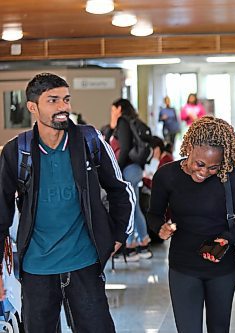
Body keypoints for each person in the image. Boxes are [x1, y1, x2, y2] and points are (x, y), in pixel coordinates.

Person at [0, 73, 134, 332]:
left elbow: (120, 190)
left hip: (84, 262)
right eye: (53, 100)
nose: (63, 107)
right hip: (37, 267)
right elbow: (1, 213)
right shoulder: (17, 151)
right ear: (32, 107)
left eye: (66, 99)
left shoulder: (89, 140)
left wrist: (118, 235)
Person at [147, 116, 235, 333]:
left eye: (214, 167)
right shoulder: (167, 176)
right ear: (189, 148)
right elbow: (153, 214)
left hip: (222, 269)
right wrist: (160, 228)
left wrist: (228, 238)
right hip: (183, 267)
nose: (204, 172)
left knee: (219, 329)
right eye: (200, 164)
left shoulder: (231, 177)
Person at [108, 98, 152, 260]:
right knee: (134, 207)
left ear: (119, 108)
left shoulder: (123, 122)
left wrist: (117, 169)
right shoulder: (128, 121)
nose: (111, 113)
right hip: (134, 169)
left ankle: (133, 244)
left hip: (128, 169)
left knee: (130, 207)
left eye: (113, 110)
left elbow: (124, 148)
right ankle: (143, 242)